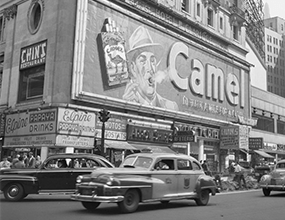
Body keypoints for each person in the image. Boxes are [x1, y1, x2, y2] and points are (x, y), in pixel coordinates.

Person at [122, 26, 179, 111]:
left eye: (152, 60)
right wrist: (125, 107)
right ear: (133, 68)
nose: (150, 68)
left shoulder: (171, 107)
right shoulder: (127, 100)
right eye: (142, 61)